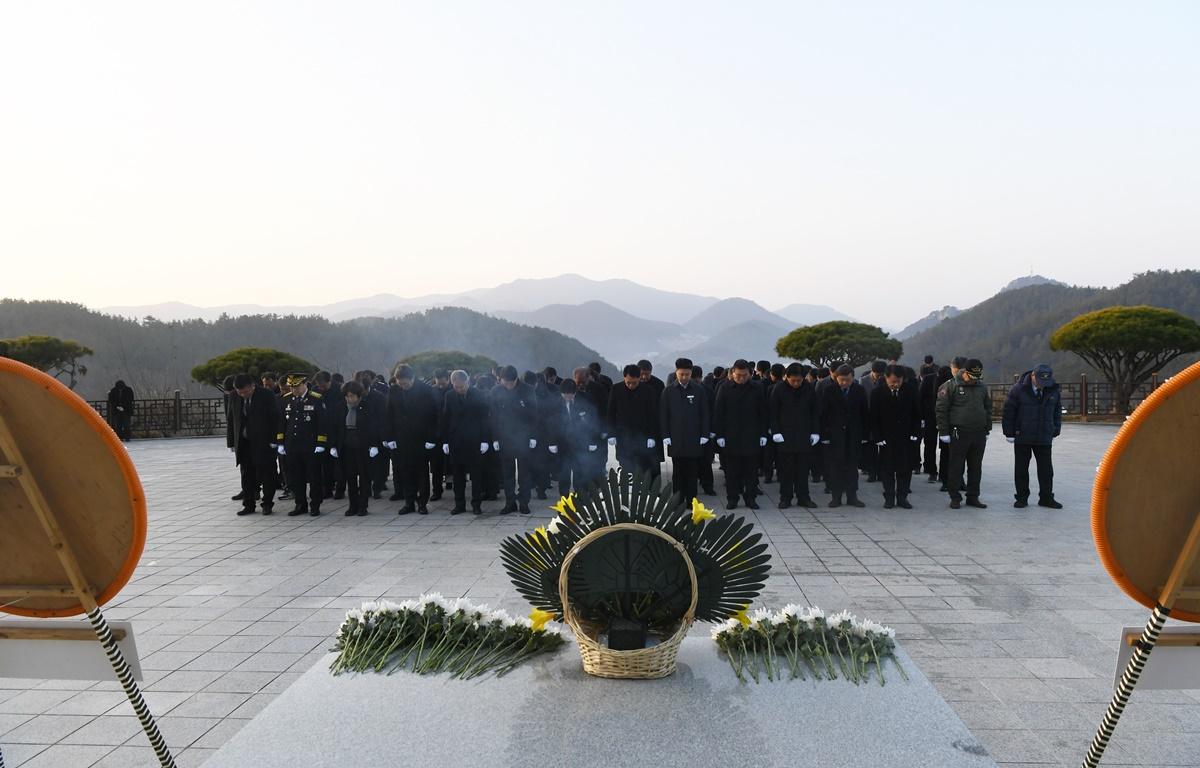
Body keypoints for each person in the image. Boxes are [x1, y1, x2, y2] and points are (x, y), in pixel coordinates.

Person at [1002, 363, 1063, 509]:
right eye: (1041, 381)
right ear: (1033, 376)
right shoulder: (1018, 389)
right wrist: (1009, 432)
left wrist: (1055, 429)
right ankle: (1021, 498)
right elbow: (1008, 412)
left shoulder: (1053, 389)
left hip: (1044, 435)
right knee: (1021, 469)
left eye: (1046, 381)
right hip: (1022, 434)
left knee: (1046, 470)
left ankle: (1046, 498)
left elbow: (1057, 411)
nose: (1043, 385)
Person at [936, 358, 992, 510]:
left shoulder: (981, 387)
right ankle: (955, 497)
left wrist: (987, 428)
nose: (974, 380)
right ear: (965, 372)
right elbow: (941, 410)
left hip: (978, 433)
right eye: (972, 377)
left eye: (977, 377)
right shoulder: (950, 386)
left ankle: (973, 496)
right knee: (956, 466)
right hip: (958, 432)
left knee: (976, 467)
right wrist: (943, 431)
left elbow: (987, 408)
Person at [385, 364, 440, 515]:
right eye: (400, 383)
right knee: (406, 471)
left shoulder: (426, 390)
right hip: (401, 437)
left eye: (405, 383)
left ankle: (422, 503)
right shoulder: (394, 390)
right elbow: (389, 414)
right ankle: (409, 502)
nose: (403, 386)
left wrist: (432, 438)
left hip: (421, 438)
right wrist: (389, 437)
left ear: (412, 378)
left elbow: (434, 416)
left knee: (421, 472)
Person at [713, 359, 768, 509]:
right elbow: (718, 413)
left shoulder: (757, 388)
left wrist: (763, 434)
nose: (741, 378)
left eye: (744, 375)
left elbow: (763, 413)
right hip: (731, 436)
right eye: (738, 375)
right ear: (733, 373)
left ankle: (751, 498)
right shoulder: (725, 388)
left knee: (751, 471)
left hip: (752, 436)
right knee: (732, 472)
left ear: (750, 374)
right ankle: (732, 498)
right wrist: (720, 435)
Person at [276, 373, 329, 517]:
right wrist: (280, 442)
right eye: (292, 387)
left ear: (305, 384)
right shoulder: (286, 399)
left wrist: (321, 442)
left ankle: (315, 504)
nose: (294, 390)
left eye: (297, 387)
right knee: (296, 476)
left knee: (314, 477)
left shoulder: (316, 398)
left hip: (310, 444)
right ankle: (300, 504)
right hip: (292, 445)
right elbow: (282, 422)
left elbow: (322, 422)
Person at [660, 358, 711, 507]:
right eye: (681, 374)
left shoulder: (698, 390)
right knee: (677, 472)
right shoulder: (668, 391)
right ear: (676, 372)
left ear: (691, 373)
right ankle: (677, 500)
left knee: (692, 472)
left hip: (694, 438)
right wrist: (665, 435)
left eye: (687, 374)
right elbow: (663, 415)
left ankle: (691, 501)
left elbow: (705, 413)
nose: (684, 377)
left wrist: (704, 434)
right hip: (676, 438)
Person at [869, 364, 922, 509]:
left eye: (898, 381)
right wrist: (877, 437)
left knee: (905, 468)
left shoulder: (910, 391)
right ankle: (889, 497)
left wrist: (915, 434)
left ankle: (902, 497)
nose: (896, 384)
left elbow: (917, 414)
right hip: (886, 438)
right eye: (892, 382)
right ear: (886, 378)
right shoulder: (877, 393)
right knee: (887, 469)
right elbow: (873, 418)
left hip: (906, 437)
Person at [440, 370, 492, 515]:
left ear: (468, 382)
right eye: (456, 387)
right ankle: (459, 504)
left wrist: (485, 440)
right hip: (456, 440)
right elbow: (446, 418)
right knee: (458, 476)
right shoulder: (449, 396)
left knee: (476, 475)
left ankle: (476, 504)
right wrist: (445, 441)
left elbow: (485, 418)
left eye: (462, 386)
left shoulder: (479, 394)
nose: (459, 389)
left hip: (475, 440)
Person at [768, 363, 820, 509]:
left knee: (803, 470)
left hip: (804, 435)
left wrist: (815, 432)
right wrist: (775, 431)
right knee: (786, 470)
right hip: (785, 435)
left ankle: (803, 497)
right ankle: (785, 497)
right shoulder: (779, 389)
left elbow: (815, 412)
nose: (796, 383)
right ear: (787, 377)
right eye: (793, 380)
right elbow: (772, 412)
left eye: (799, 380)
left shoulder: (809, 388)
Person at [818, 364, 869, 508]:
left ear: (853, 378)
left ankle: (852, 496)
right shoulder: (829, 390)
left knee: (852, 467)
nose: (845, 382)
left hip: (854, 434)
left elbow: (864, 413)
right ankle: (836, 497)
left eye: (848, 380)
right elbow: (823, 414)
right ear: (836, 378)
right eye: (841, 380)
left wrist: (865, 434)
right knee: (835, 467)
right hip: (835, 435)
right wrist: (824, 435)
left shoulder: (859, 390)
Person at [330, 380, 383, 517]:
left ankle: (363, 505)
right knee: (350, 476)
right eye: (347, 396)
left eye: (352, 396)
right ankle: (352, 505)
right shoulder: (341, 407)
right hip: (346, 445)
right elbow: (335, 427)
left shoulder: (367, 406)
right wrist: (333, 445)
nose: (349, 399)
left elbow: (373, 427)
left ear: (359, 396)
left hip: (362, 446)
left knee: (364, 477)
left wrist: (374, 445)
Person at [489, 365, 538, 514]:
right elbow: (493, 416)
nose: (508, 385)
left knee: (524, 473)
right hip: (504, 437)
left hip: (523, 436)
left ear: (516, 379)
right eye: (505, 382)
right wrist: (495, 438)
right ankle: (510, 503)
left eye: (510, 383)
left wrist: (533, 436)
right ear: (501, 379)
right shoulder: (496, 391)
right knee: (507, 473)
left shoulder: (528, 390)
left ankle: (524, 502)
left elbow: (534, 415)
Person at [230, 373, 280, 516]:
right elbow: (232, 419)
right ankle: (248, 504)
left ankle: (267, 503)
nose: (243, 395)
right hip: (244, 442)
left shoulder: (266, 395)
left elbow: (274, 418)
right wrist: (231, 441)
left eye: (245, 392)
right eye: (240, 392)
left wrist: (274, 440)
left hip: (264, 442)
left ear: (252, 386)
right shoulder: (234, 396)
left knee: (267, 474)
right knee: (246, 475)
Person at [547, 379, 605, 497]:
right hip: (562, 443)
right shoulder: (554, 402)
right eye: (565, 395)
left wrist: (593, 441)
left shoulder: (585, 399)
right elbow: (551, 424)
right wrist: (551, 442)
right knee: (564, 474)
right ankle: (564, 499)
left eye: (570, 395)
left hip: (580, 442)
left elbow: (593, 421)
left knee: (580, 473)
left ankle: (580, 498)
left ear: (575, 392)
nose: (568, 397)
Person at [607, 364, 660, 480]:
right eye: (628, 383)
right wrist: (611, 434)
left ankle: (642, 489)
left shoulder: (648, 391)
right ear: (624, 378)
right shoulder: (616, 389)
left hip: (642, 435)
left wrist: (651, 436)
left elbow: (652, 415)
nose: (631, 385)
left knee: (642, 466)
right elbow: (610, 413)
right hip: (623, 436)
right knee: (625, 465)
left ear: (639, 378)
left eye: (634, 383)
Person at [858, 360, 887, 483]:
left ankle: (881, 472)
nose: (879, 377)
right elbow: (861, 399)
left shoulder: (887, 380)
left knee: (883, 447)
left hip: (883, 417)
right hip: (868, 416)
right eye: (877, 374)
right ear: (872, 371)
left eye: (881, 374)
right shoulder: (863, 380)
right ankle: (872, 472)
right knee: (871, 448)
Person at [429, 369, 451, 500]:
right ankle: (436, 490)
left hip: (451, 432)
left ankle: (452, 484)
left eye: (443, 383)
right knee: (436, 464)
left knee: (452, 463)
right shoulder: (432, 391)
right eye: (439, 383)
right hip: (436, 433)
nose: (441, 386)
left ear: (448, 379)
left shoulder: (454, 390)